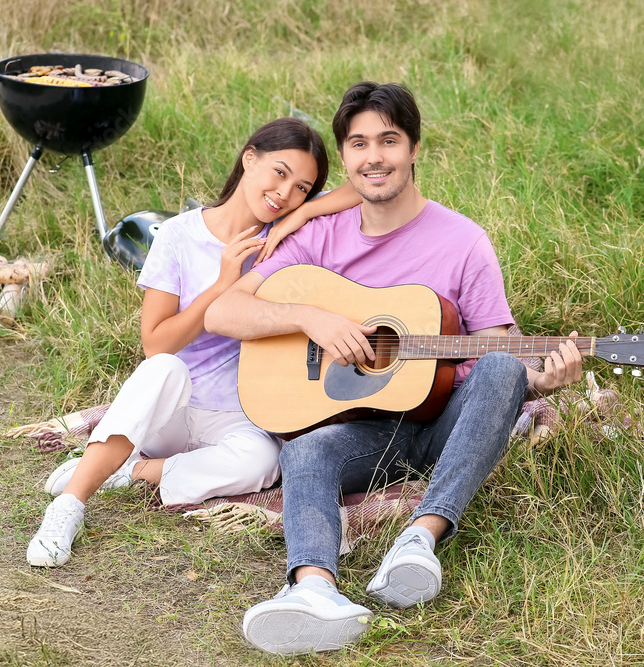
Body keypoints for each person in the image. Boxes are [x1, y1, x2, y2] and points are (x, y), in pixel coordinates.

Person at [204, 82, 585, 655]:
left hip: (443, 422)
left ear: (413, 149)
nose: (373, 156)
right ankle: (313, 593)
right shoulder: (318, 235)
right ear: (346, 158)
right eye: (358, 144)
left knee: (505, 366)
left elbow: (494, 354)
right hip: (366, 429)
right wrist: (313, 318)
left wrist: (540, 379)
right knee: (302, 451)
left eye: (389, 140)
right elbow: (225, 310)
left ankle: (420, 539)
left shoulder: (463, 241)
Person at [26, 117, 344, 568]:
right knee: (162, 370)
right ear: (249, 158)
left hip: (235, 414)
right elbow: (156, 344)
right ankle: (70, 505)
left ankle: (131, 471)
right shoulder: (178, 235)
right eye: (280, 172)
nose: (285, 193)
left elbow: (360, 190)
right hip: (172, 406)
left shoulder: (284, 237)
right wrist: (221, 286)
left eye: (302, 187)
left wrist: (308, 212)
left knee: (265, 462)